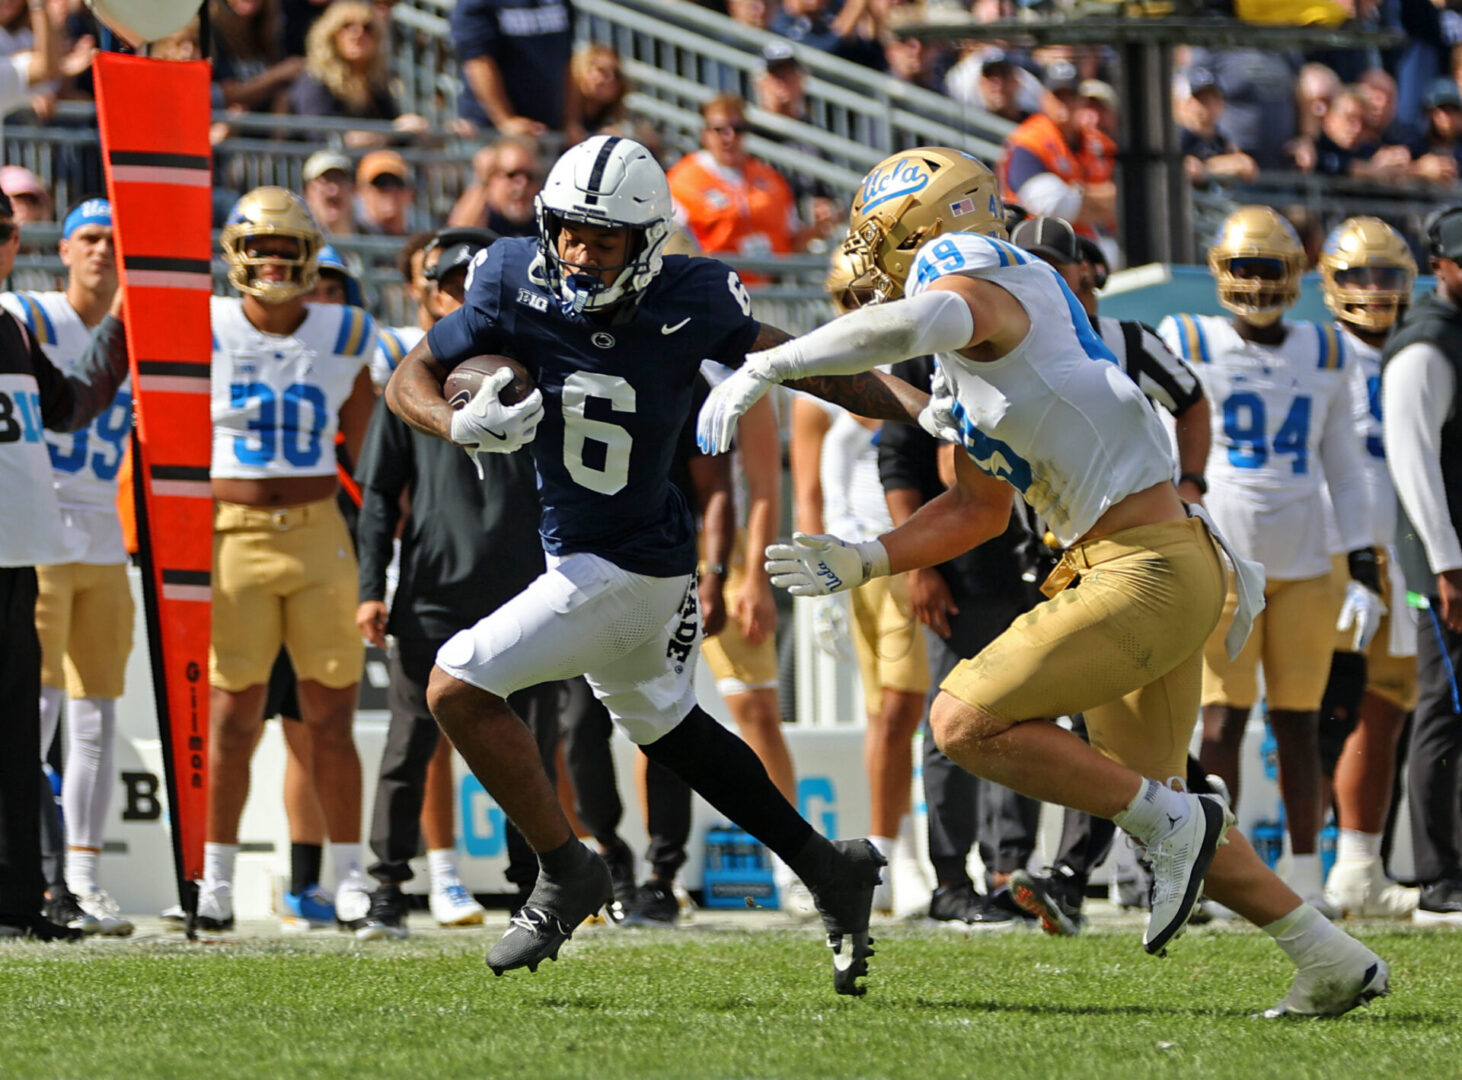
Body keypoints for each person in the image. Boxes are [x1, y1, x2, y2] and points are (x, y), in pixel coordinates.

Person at [699, 145, 1390, 1017]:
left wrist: (773, 362)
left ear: (932, 223)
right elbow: (978, 509)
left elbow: (916, 325)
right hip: (1156, 565)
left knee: (963, 722)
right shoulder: (984, 335)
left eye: (883, 235)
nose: (875, 255)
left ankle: (1170, 827)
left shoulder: (971, 270)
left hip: (1141, 569)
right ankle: (1327, 956)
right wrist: (866, 558)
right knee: (1163, 804)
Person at [385, 134, 891, 995]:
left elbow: (805, 365)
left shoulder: (691, 296)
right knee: (671, 730)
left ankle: (564, 869)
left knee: (457, 688)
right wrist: (453, 423)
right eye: (570, 233)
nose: (581, 254)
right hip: (604, 554)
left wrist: (926, 410)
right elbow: (413, 373)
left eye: (605, 238)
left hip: (624, 569)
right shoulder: (514, 276)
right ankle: (828, 865)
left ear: (647, 240)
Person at [1157, 205, 1376, 917]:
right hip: (1225, 559)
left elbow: (1345, 469)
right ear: (1222, 269)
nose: (1254, 281)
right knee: (1221, 721)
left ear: (1296, 274)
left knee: (1298, 721)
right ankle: (1225, 869)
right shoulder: (1188, 337)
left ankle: (1306, 870)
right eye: (1243, 266)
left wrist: (1365, 567)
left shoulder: (1326, 349)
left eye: (1267, 267)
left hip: (1308, 562)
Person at [1000, 214, 1212, 931]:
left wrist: (1194, 485)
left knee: (1102, 712)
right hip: (1055, 558)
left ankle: (1082, 868)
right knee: (1101, 716)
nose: (1037, 280)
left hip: (1134, 554)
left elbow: (1191, 400)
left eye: (1052, 265)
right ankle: (1191, 832)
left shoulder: (1123, 340)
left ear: (1087, 270)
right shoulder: (1009, 341)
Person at [353, 225, 566, 939]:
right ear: (430, 292)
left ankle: (531, 885)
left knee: (529, 745)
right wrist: (369, 586)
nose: (457, 297)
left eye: (470, 284)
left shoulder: (545, 370)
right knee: (410, 743)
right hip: (433, 590)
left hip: (527, 590)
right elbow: (379, 493)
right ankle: (385, 886)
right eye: (446, 283)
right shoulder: (411, 378)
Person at [198, 186, 379, 932]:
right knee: (232, 717)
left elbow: (370, 459)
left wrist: (381, 556)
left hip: (316, 530)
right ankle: (212, 880)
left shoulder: (346, 331)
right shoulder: (199, 323)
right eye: (260, 248)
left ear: (309, 257)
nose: (273, 261)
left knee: (330, 716)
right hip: (229, 531)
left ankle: (351, 878)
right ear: (237, 255)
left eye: (285, 248)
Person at [1, 197, 133, 937]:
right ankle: (43, 882)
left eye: (115, 237)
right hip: (39, 531)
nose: (102, 249)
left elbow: (81, 404)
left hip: (66, 536)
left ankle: (59, 887)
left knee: (63, 720)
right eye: (89, 236)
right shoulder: (28, 313)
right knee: (34, 711)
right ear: (60, 247)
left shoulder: (21, 327)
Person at [791, 256, 930, 916]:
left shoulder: (916, 354)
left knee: (908, 709)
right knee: (892, 709)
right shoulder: (821, 367)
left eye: (874, 292)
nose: (864, 304)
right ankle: (889, 846)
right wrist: (815, 583)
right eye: (852, 295)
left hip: (922, 545)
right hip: (862, 560)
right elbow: (808, 495)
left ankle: (899, 846)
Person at [1312, 217, 1422, 920]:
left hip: (1402, 551)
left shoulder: (1424, 348)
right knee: (1315, 711)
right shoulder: (1316, 349)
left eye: (1386, 276)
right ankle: (1304, 864)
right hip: (1327, 549)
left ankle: (1358, 865)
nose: (1373, 290)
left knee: (1389, 704)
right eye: (1358, 275)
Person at [1380, 205, 1462, 926]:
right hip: (1446, 565)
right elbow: (1414, 465)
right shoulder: (1428, 344)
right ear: (1440, 265)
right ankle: (1437, 876)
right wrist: (1447, 565)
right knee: (1445, 706)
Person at [666, 94, 829, 278]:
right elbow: (673, 246)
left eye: (738, 129)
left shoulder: (770, 177)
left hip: (771, 294)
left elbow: (790, 242)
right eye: (720, 129)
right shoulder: (682, 181)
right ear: (705, 134)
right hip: (711, 291)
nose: (730, 137)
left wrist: (818, 229)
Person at [997, 60, 1117, 247]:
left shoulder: (1096, 141)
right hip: (1033, 244)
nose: (1065, 103)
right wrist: (1104, 199)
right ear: (1044, 99)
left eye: (1070, 96)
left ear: (1081, 101)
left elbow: (1132, 197)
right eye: (1058, 96)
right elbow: (1053, 205)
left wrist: (1075, 194)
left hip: (1082, 245)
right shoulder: (1029, 140)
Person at [287, 1, 426, 144]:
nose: (358, 33)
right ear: (331, 34)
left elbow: (398, 137)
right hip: (324, 163)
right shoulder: (315, 79)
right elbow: (325, 138)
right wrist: (394, 131)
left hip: (372, 161)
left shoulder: (376, 84)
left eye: (367, 28)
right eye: (347, 26)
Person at [449, 0, 579, 141]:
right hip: (493, 133)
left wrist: (571, 120)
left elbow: (567, 61)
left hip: (551, 129)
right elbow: (478, 63)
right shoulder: (477, 4)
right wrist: (505, 120)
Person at [1176, 68, 1259, 187]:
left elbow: (1247, 167)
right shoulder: (1180, 137)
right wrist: (1227, 166)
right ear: (1187, 103)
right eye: (1201, 100)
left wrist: (1206, 168)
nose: (1206, 106)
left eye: (1212, 100)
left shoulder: (1222, 141)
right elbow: (1189, 168)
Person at [446, 136, 542, 237]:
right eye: (512, 174)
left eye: (530, 176)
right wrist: (481, 181)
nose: (523, 183)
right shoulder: (483, 216)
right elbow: (459, 236)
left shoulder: (540, 223)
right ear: (491, 178)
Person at [355, 150, 415, 238]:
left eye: (397, 182)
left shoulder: (419, 244)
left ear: (409, 193)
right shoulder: (350, 241)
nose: (389, 189)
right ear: (361, 191)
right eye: (380, 183)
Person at [301, 149, 356, 237]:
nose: (334, 190)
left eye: (340, 180)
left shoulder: (372, 236)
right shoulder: (298, 241)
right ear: (308, 191)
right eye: (326, 180)